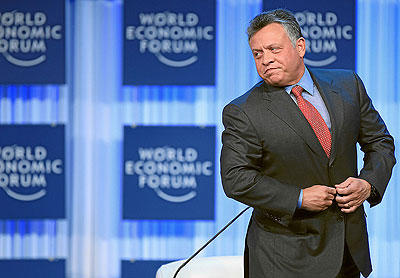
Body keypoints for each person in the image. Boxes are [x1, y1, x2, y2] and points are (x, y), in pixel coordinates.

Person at [220, 9, 396, 278]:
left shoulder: (348, 84)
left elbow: (380, 142)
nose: (266, 60)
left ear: (299, 46)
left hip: (348, 249)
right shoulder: (243, 111)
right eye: (257, 54)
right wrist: (299, 197)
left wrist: (368, 184)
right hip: (284, 257)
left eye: (273, 49)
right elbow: (236, 179)